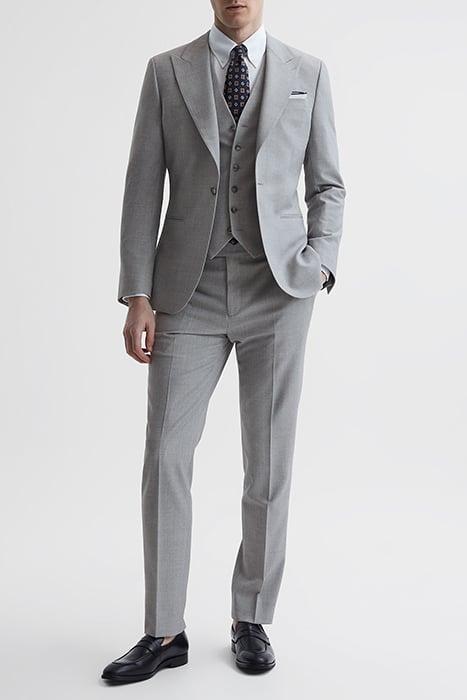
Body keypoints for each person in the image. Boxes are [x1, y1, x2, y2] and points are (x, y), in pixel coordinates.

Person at [102, 0, 345, 683]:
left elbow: (327, 184)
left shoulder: (308, 72)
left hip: (280, 290)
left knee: (268, 462)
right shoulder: (166, 71)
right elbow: (142, 187)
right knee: (165, 455)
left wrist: (320, 262)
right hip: (187, 290)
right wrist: (138, 292)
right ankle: (163, 630)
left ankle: (251, 617)